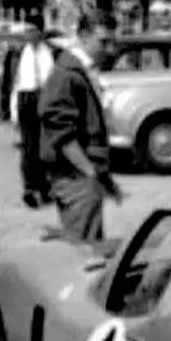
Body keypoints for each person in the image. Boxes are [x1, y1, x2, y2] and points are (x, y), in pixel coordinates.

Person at [38, 14, 121, 242]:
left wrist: (102, 177)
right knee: (83, 249)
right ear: (83, 37)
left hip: (81, 175)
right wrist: (89, 171)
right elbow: (59, 129)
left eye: (113, 42)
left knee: (88, 242)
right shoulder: (67, 73)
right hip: (74, 177)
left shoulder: (81, 70)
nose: (110, 50)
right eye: (104, 42)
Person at [12, 13, 56, 207]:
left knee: (45, 146)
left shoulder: (50, 53)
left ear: (41, 32)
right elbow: (17, 83)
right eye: (26, 31)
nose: (28, 34)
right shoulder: (20, 53)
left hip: (44, 98)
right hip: (26, 99)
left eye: (32, 30)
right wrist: (14, 111)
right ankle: (30, 189)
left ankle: (45, 187)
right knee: (29, 147)